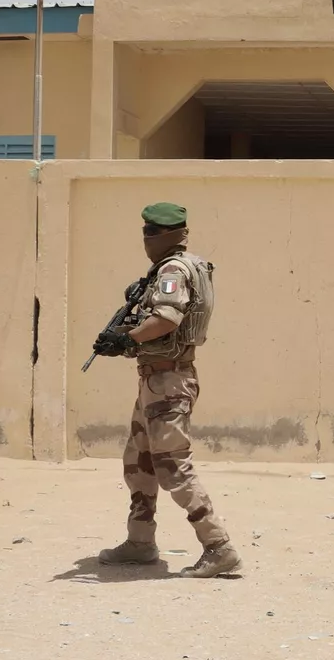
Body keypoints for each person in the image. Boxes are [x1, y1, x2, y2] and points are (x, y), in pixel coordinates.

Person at [92, 201, 240, 579]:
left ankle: (218, 547)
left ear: (170, 235)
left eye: (151, 232)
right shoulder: (181, 267)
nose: (146, 239)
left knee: (173, 466)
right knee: (139, 462)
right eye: (145, 231)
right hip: (156, 381)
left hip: (169, 381)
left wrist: (127, 340)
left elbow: (167, 318)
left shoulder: (173, 270)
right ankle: (140, 542)